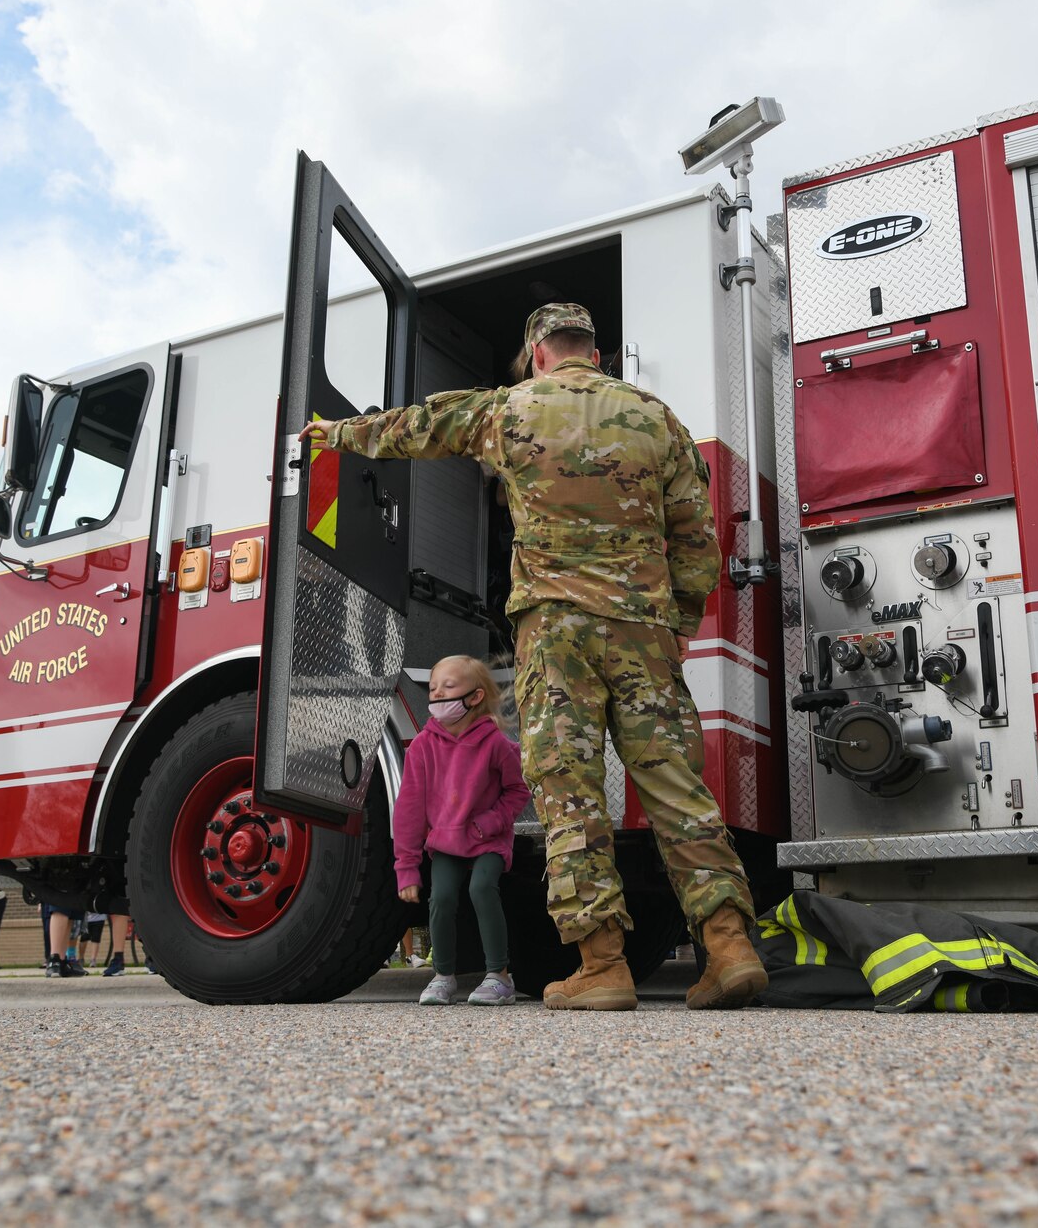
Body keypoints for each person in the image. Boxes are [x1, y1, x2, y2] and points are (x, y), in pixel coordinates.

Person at [305, 303, 767, 1011]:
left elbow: (420, 426)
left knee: (569, 793)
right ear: (597, 354)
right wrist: (678, 620)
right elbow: (697, 533)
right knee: (677, 785)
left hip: (555, 635)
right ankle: (730, 946)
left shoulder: (509, 408)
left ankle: (602, 963)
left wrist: (339, 433)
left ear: (539, 352)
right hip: (641, 629)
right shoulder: (656, 418)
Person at [394, 654, 529, 1006]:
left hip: (488, 839)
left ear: (475, 697)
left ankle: (499, 976)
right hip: (447, 840)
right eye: (434, 687)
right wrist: (406, 867)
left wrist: (491, 823)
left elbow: (518, 790)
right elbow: (408, 810)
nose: (437, 694)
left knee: (482, 888)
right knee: (441, 899)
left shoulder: (497, 743)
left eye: (448, 687)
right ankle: (443, 976)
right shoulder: (422, 747)